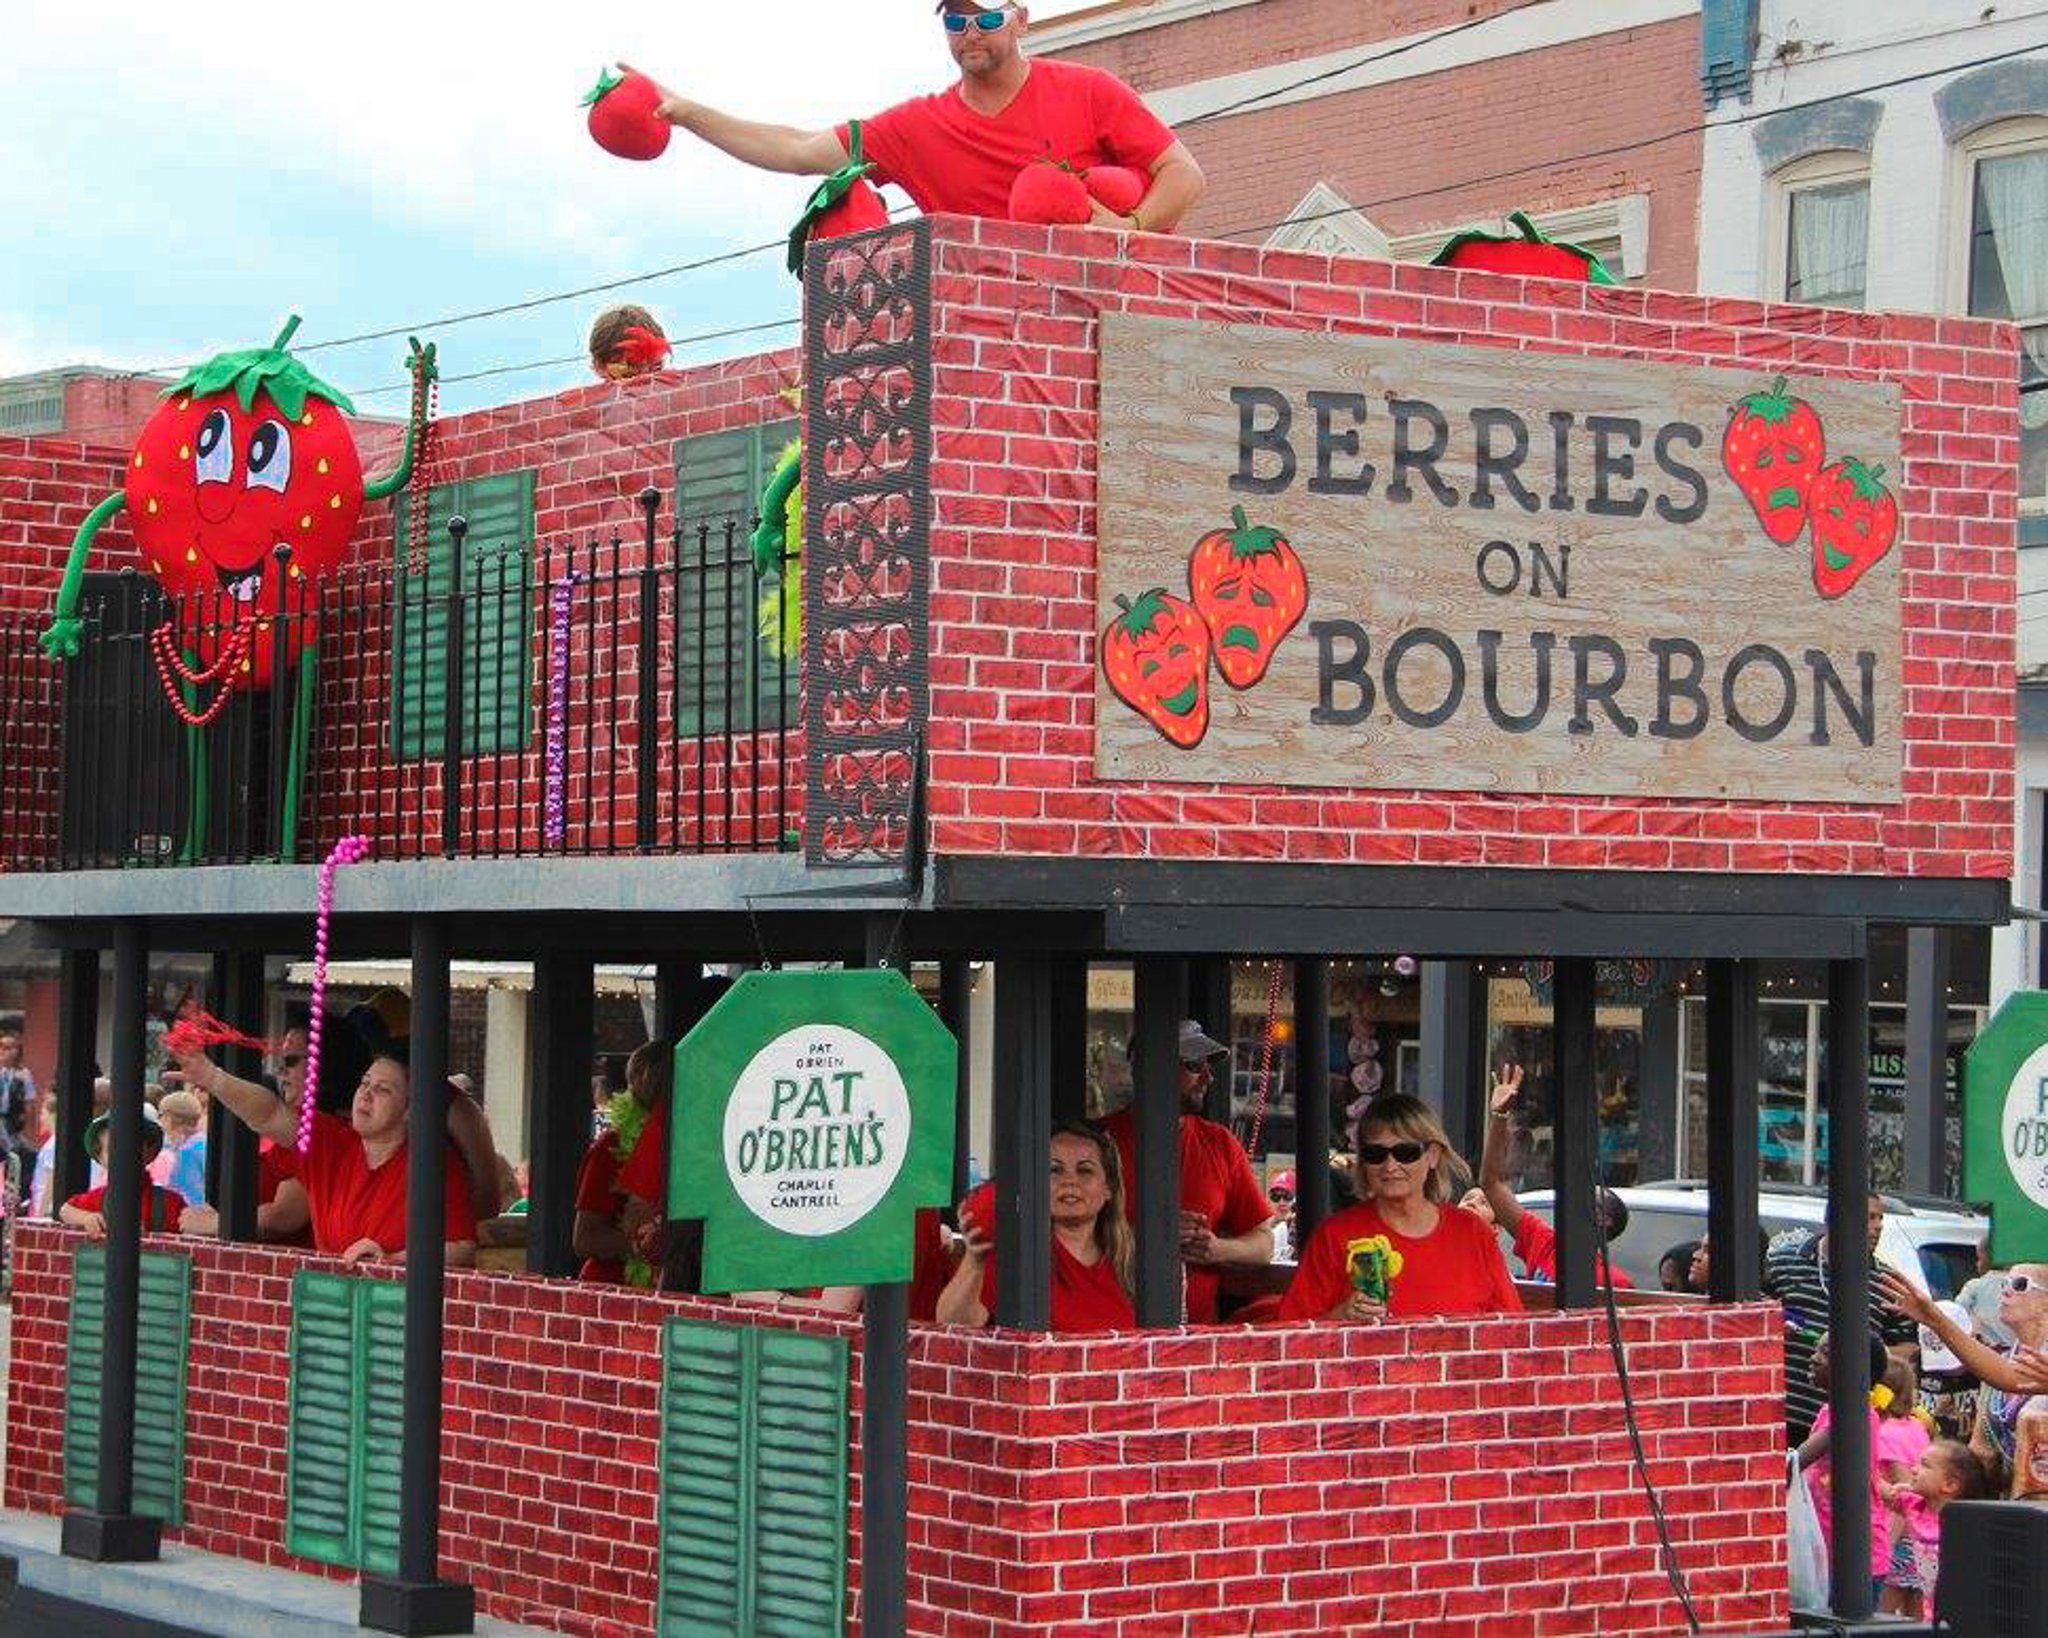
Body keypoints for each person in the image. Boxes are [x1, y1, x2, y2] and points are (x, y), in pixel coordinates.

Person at [626, 1, 1205, 233]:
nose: (970, 31)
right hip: (984, 339)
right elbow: (799, 150)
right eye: (955, 21)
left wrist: (1128, 232)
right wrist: (687, 113)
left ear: (1020, 19)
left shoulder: (1087, 90)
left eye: (986, 17)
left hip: (1093, 320)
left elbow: (1184, 174)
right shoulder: (916, 127)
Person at [171, 1039, 477, 1266]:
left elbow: (461, 1248)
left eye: (383, 1089)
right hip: (327, 1304)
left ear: (411, 1110)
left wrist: (393, 1260)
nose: (366, 1094)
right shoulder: (330, 1142)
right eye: (365, 1083)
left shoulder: (436, 1166)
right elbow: (269, 1114)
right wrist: (212, 1077)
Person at [1277, 1094, 1521, 1323]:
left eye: (1406, 1152)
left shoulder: (1473, 1232)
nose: (1390, 1165)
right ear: (1363, 1162)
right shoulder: (1334, 1235)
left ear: (1433, 1156)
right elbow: (1288, 1336)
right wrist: (1340, 1317)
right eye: (1376, 1154)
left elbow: (1511, 1330)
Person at [1101, 1020, 1275, 1323]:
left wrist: (1218, 1249)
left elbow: (1264, 1244)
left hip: (1196, 1340)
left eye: (1208, 1065)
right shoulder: (1098, 1142)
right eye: (1195, 1065)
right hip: (1106, 1330)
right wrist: (1148, 1236)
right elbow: (1065, 1237)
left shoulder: (1221, 1144)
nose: (1208, 1077)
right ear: (1151, 1068)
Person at [937, 1122, 1134, 1331]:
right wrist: (975, 1261)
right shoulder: (1015, 1255)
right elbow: (953, 1325)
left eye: (1084, 1170)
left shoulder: (1132, 1264)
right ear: (1037, 1182)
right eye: (1055, 1169)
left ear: (1108, 1188)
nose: (1069, 1181)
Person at [1878, 1264, 2048, 1500]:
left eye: (2020, 1285)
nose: (2006, 1291)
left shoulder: (2011, 1368)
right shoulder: (1999, 1364)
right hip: (2015, 1515)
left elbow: (2011, 1379)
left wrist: (1935, 1318)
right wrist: (1931, 1485)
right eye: (2004, 1284)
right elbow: (1981, 1454)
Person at [1764, 1194, 1916, 1443]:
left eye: (1880, 1219)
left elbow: (1910, 1350)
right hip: (1780, 1413)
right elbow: (1755, 1321)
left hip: (1842, 1423)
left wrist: (1867, 1353)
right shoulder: (1782, 1262)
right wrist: (1774, 1330)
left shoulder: (1887, 1283)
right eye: (1869, 1218)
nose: (1878, 1226)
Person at [1477, 1062, 1633, 1287]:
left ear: (1604, 1220)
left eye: (1588, 1199)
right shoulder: (1546, 1242)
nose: (1573, 1201)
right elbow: (1489, 1183)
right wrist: (1499, 1115)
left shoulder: (1615, 1282)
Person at [1795, 1330, 1892, 1597]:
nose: (1814, 1359)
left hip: (1856, 1558)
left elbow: (1796, 1462)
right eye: (1816, 1350)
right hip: (1829, 1551)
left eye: (1825, 1353)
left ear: (1853, 1367)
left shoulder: (1855, 1413)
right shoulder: (1830, 1410)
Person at [574, 1038, 670, 1285]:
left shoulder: (690, 1142)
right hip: (613, 1291)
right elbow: (584, 1239)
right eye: (654, 1075)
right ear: (635, 1079)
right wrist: (646, 1244)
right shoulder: (611, 1147)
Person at [1882, 1438, 1991, 1622]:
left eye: (1924, 1465)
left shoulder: (1967, 1525)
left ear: (1949, 1485)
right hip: (1932, 1612)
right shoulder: (1914, 1505)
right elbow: (1880, 1489)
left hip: (1963, 1613)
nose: (1914, 1469)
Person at [59, 1112, 186, 1239]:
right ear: (100, 1159)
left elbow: (188, 1227)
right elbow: (65, 1210)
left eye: (133, 1146)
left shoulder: (171, 1203)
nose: (124, 1155)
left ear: (149, 1152)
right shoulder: (97, 1199)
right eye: (113, 1149)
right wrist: (86, 1218)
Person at [1873, 1355, 1931, 1617]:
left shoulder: (1887, 1432)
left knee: (1880, 1613)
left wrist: (1889, 1543)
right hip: (1919, 1534)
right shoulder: (1916, 1425)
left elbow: (1905, 1490)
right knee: (1916, 1615)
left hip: (1897, 1536)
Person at [1955, 1243, 2017, 1350]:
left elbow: (1957, 1313)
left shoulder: (1975, 1286)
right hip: (2017, 1351)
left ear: (1987, 1260)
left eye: (1979, 1259)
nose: (1976, 1264)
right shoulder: (2019, 1286)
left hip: (1987, 1351)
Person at [155, 1089, 208, 1206]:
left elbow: (191, 1200)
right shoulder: (203, 1142)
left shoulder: (186, 1152)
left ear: (168, 1119)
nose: (159, 1121)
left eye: (160, 1115)